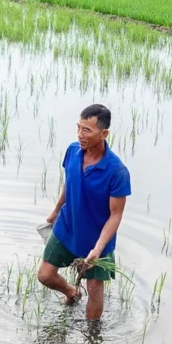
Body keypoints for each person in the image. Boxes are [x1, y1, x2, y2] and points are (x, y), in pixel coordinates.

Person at [37, 104, 131, 321]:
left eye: (87, 130)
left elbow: (116, 215)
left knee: (95, 290)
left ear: (104, 134)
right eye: (78, 128)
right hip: (66, 227)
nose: (80, 135)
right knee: (45, 275)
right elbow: (69, 184)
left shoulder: (117, 171)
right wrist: (55, 211)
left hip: (96, 241)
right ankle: (71, 292)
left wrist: (98, 249)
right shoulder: (72, 151)